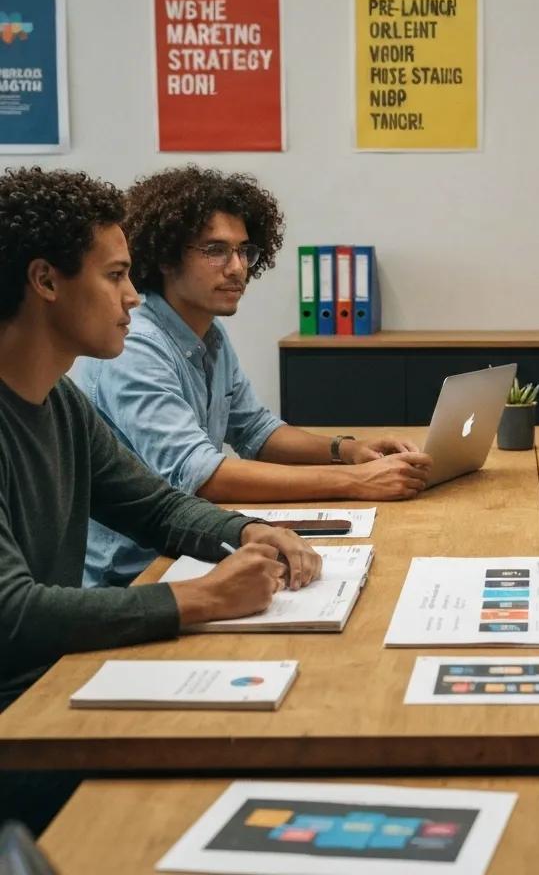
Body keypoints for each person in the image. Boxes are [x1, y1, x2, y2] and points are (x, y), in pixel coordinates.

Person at [0, 167, 320, 828]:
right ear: (46, 281)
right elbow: (13, 614)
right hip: (21, 727)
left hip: (56, 689)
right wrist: (203, 597)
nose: (134, 297)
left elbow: (157, 507)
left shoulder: (59, 402)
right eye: (115, 276)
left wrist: (245, 531)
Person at [75, 166, 431, 588]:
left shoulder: (209, 332)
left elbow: (256, 430)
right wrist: (356, 482)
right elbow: (201, 476)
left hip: (192, 550)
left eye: (244, 251)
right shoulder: (136, 343)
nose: (237, 267)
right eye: (216, 250)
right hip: (134, 574)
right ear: (167, 255)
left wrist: (348, 450)